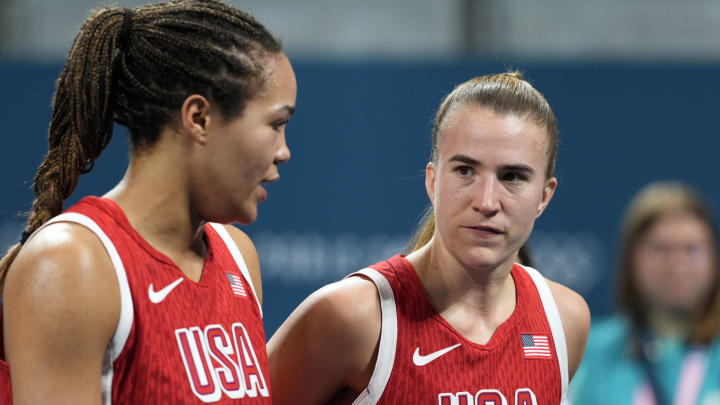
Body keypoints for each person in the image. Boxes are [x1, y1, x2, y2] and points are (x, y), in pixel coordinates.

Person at [0, 0, 296, 403]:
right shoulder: (71, 265)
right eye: (276, 124)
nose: (284, 151)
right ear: (199, 118)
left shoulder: (239, 256)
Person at [268, 72, 590, 404]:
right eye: (465, 170)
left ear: (544, 197)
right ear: (433, 181)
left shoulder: (564, 321)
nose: (487, 201)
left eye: (512, 177)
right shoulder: (353, 318)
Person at [570, 182, 720, 405]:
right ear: (632, 260)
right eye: (662, 249)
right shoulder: (589, 351)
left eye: (691, 249)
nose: (677, 265)